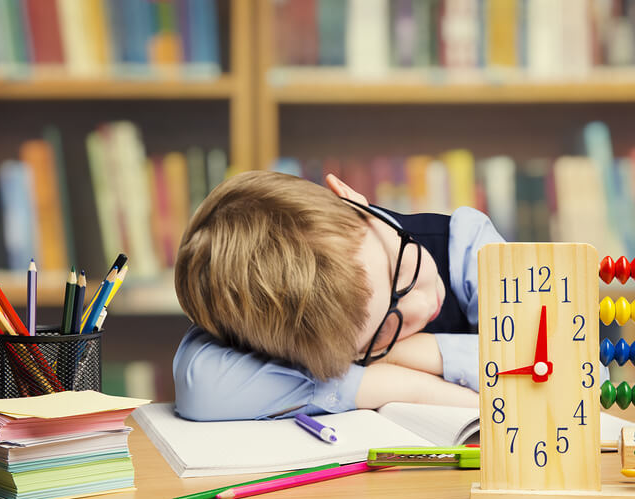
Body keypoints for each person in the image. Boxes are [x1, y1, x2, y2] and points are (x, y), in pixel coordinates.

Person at [172, 169, 505, 421]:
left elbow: (545, 365)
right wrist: (401, 387)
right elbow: (201, 388)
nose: (422, 304)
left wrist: (395, 354)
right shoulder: (297, 335)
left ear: (350, 198)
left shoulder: (470, 245)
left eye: (401, 270)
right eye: (384, 332)